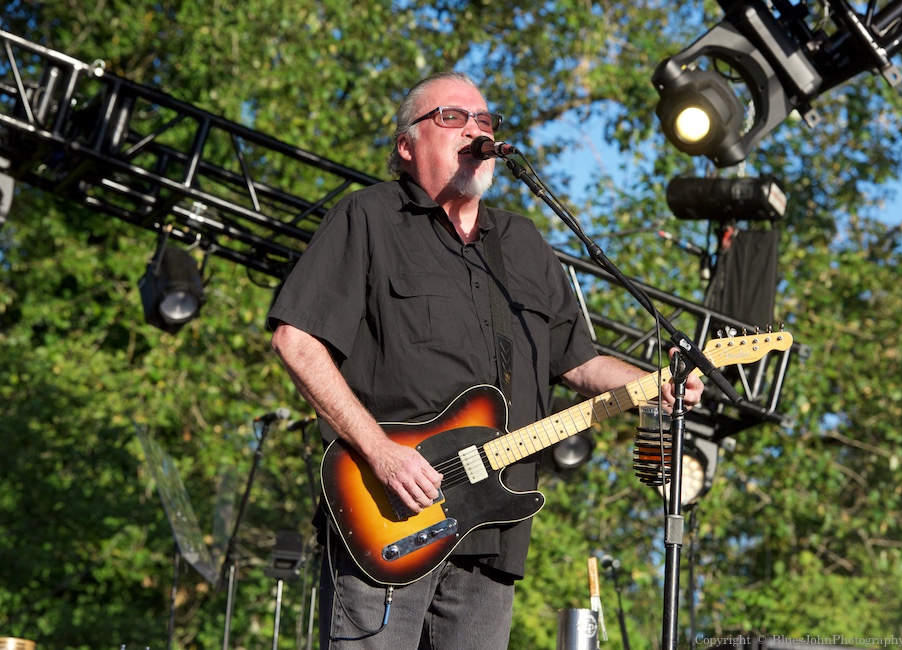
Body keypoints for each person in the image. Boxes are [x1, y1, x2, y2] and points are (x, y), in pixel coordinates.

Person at [268, 71, 704, 649]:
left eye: (485, 121)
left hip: (494, 532)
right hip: (388, 515)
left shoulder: (523, 243)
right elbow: (297, 340)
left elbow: (577, 363)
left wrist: (656, 384)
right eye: (452, 117)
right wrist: (383, 456)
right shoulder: (367, 218)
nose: (475, 130)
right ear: (406, 145)